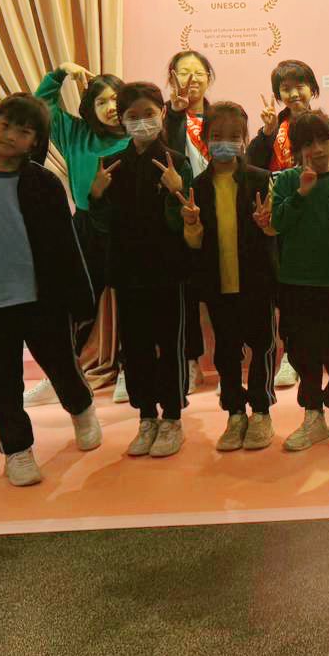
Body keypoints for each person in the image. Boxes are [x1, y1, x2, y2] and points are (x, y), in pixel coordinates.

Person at [0, 94, 102, 486]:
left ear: (35, 141)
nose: (10, 135)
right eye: (5, 125)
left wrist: (81, 298)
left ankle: (81, 409)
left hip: (44, 300)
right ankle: (17, 450)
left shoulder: (44, 183)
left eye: (23, 131)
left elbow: (66, 245)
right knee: (3, 381)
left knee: (62, 366)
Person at [91, 81, 195, 459]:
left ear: (162, 113)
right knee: (134, 348)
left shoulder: (176, 161)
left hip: (168, 271)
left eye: (148, 114)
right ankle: (147, 417)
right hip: (127, 271)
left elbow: (184, 222)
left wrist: (176, 190)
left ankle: (173, 419)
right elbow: (102, 225)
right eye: (132, 116)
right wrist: (96, 195)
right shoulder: (112, 164)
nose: (141, 122)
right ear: (121, 120)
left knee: (170, 345)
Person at [30, 62, 129, 406]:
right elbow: (42, 106)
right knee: (76, 304)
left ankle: (129, 371)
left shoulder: (137, 136)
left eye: (116, 99)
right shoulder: (75, 134)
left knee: (132, 302)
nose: (111, 106)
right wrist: (60, 73)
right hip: (86, 226)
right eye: (101, 101)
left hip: (128, 230)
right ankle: (62, 375)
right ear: (90, 107)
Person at [182, 101, 277, 451]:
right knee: (225, 352)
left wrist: (267, 224)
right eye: (218, 135)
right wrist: (192, 224)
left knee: (262, 346)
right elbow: (194, 242)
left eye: (234, 135)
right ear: (206, 139)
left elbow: (274, 232)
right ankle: (235, 413)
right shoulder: (198, 186)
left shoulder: (260, 179)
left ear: (244, 139)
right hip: (217, 283)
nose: (226, 142)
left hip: (256, 281)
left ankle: (261, 412)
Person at [267, 111, 329, 451]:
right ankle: (313, 416)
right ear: (296, 149)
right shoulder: (286, 181)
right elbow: (277, 223)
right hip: (293, 282)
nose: (317, 149)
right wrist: (301, 194)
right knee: (300, 352)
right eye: (308, 143)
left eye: (322, 140)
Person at [247, 57, 323, 391]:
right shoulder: (272, 128)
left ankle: (318, 351)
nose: (293, 93)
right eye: (285, 88)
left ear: (312, 88)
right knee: (287, 290)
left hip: (316, 211)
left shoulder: (322, 123)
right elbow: (252, 165)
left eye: (300, 85)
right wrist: (265, 134)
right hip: (282, 214)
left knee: (316, 286)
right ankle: (290, 356)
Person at [164, 50, 216, 395]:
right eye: (185, 72)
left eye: (199, 72)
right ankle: (191, 360)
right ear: (172, 77)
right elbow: (165, 154)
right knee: (187, 294)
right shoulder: (164, 117)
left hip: (216, 208)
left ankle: (229, 359)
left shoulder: (219, 115)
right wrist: (174, 114)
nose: (192, 78)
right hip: (181, 212)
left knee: (222, 290)